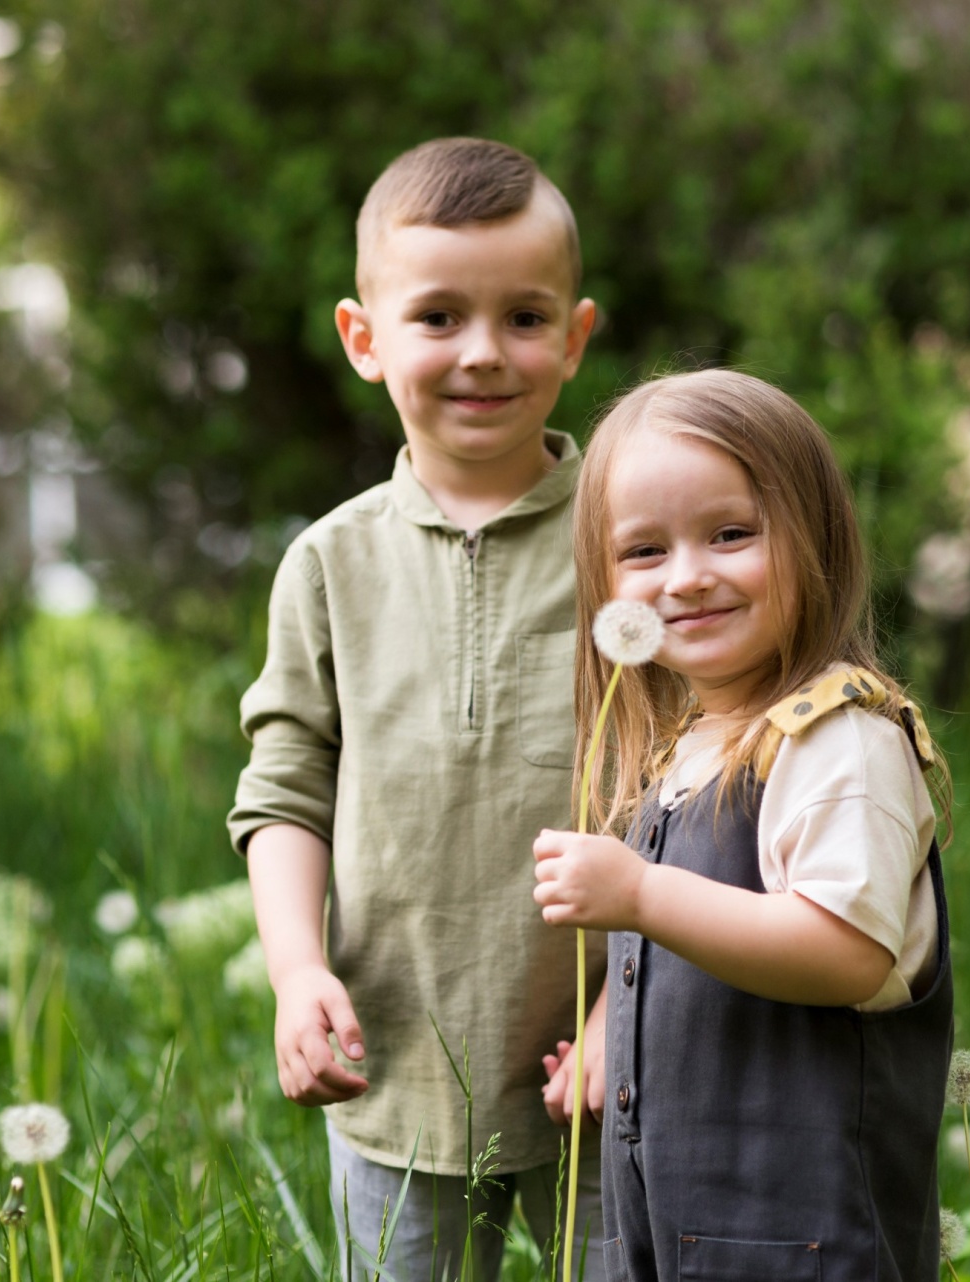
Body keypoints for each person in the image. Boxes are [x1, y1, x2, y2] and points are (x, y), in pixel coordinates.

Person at [229, 137, 607, 1281]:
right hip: (393, 1064)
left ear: (577, 337)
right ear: (364, 339)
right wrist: (298, 968)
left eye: (525, 318)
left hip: (607, 1061)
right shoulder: (330, 564)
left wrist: (633, 1013)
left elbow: (699, 790)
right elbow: (285, 786)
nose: (484, 353)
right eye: (438, 316)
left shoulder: (634, 542)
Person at [532, 369, 955, 1281]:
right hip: (678, 1229)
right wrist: (618, 1017)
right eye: (643, 552)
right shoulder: (689, 746)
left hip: (802, 1240)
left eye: (731, 534)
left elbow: (845, 950)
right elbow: (698, 934)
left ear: (816, 537)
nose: (688, 577)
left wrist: (641, 893)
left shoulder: (840, 741)